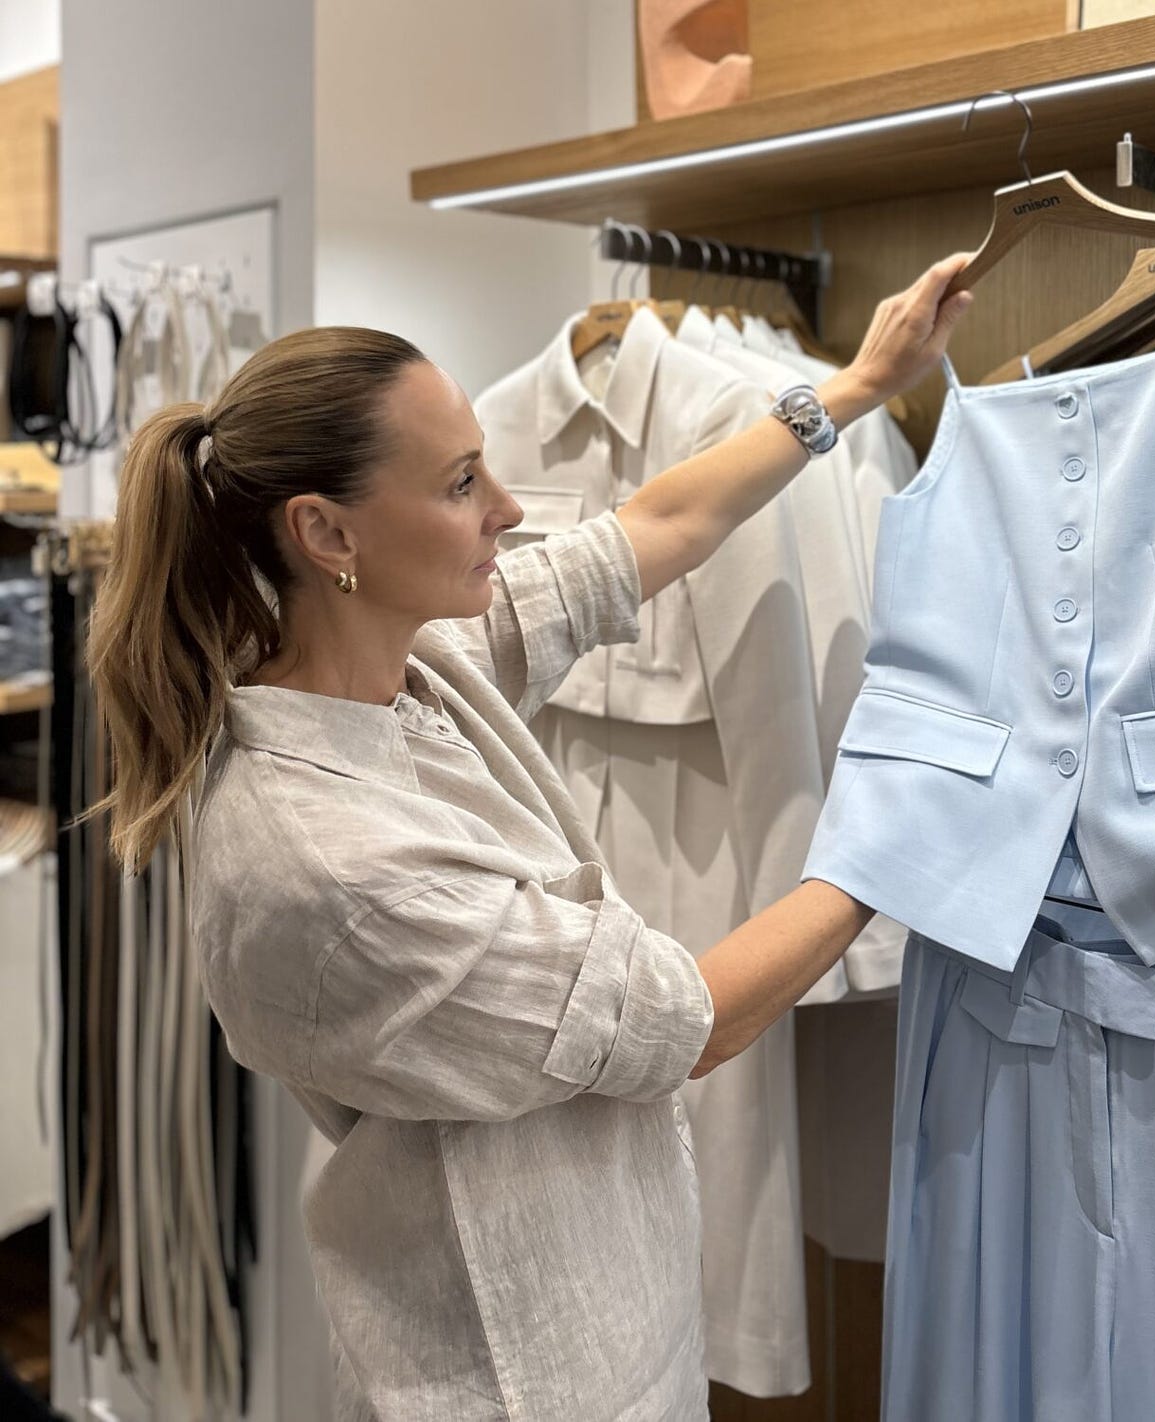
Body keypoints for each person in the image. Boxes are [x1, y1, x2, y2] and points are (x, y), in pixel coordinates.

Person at [87, 255, 973, 1420]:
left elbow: (660, 524)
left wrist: (856, 386)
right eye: (461, 483)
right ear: (325, 532)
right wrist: (902, 822)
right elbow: (683, 1021)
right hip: (509, 1359)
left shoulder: (411, 669)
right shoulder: (329, 861)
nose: (505, 509)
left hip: (593, 1285)